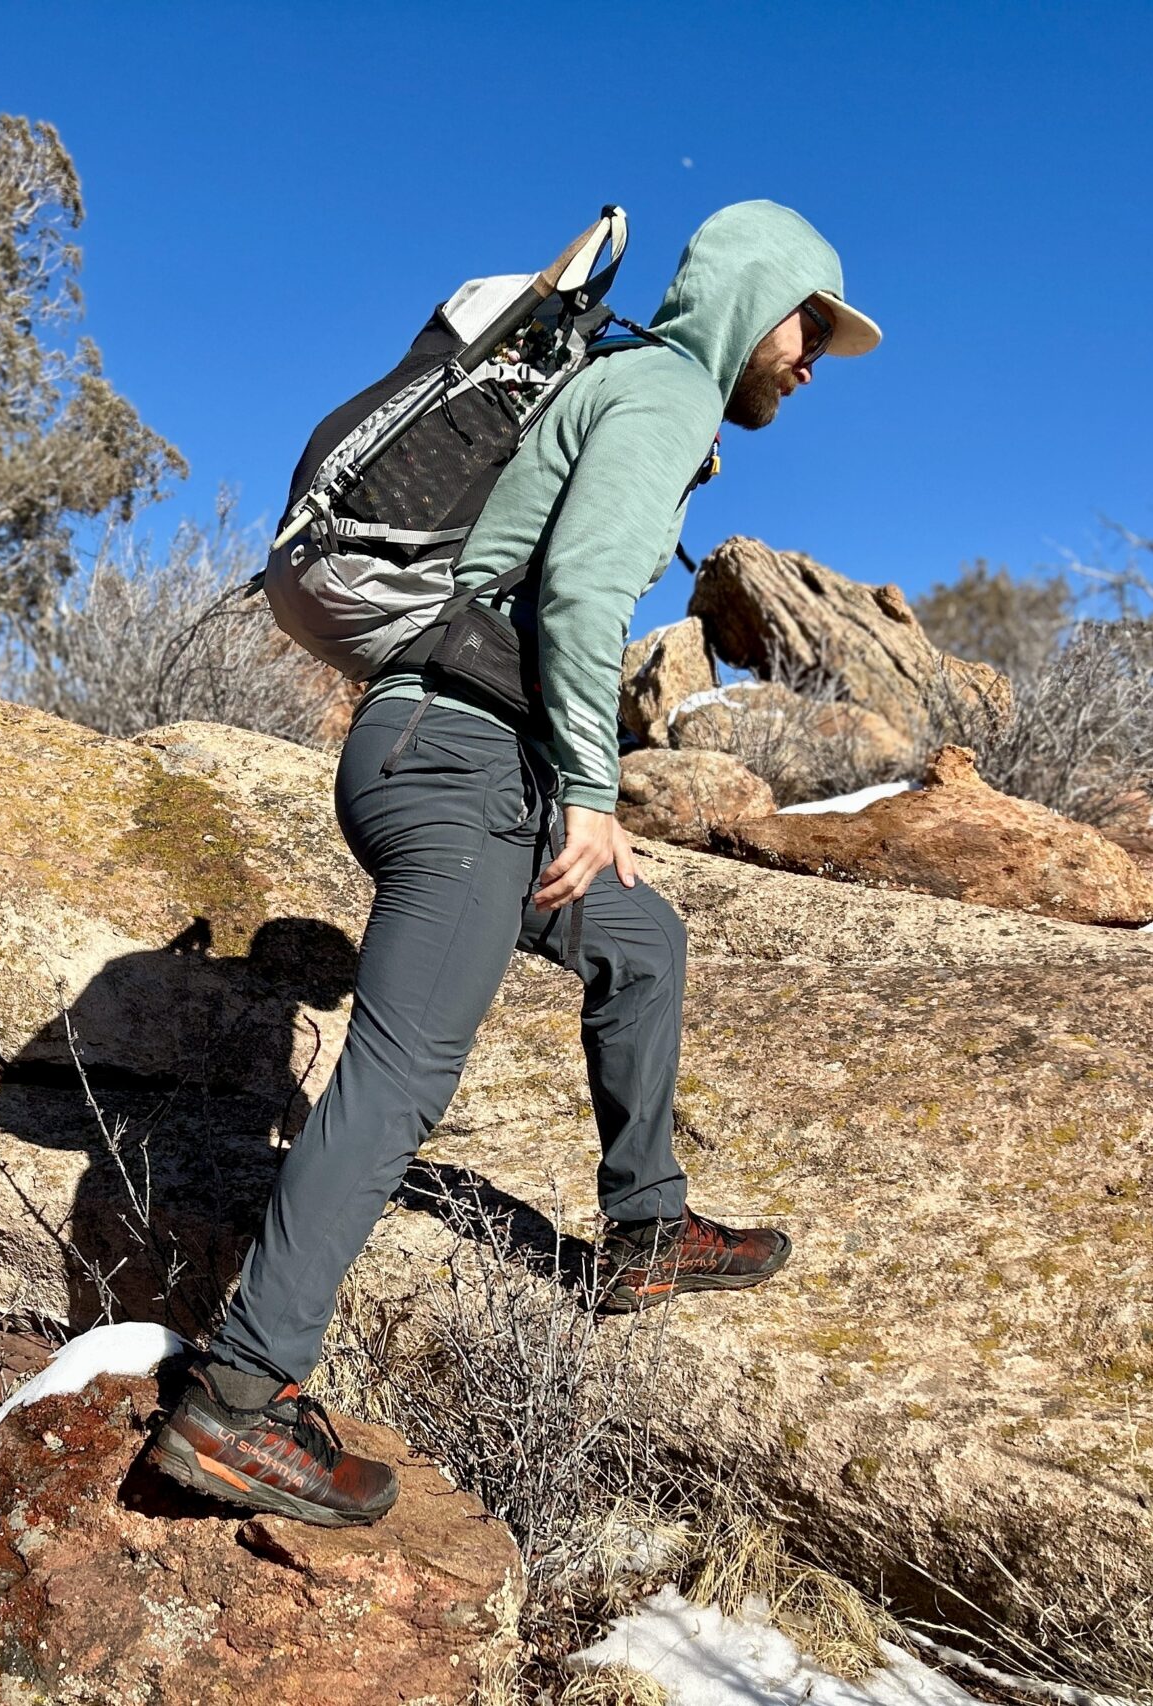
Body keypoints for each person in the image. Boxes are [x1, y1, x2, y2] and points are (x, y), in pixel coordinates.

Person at [150, 201, 882, 1528]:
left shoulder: (641, 396)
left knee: (637, 942)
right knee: (402, 1070)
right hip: (462, 764)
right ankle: (235, 1403)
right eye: (806, 324)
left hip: (468, 759)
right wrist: (596, 792)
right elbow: (585, 592)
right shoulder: (659, 388)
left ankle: (647, 1229)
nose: (811, 358)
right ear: (749, 297)